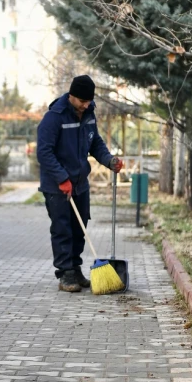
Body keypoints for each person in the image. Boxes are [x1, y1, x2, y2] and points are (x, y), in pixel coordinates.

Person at [36, 75, 124, 293]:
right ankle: (65, 273)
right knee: (62, 228)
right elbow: (44, 153)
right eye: (82, 101)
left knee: (79, 227)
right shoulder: (54, 118)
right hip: (57, 185)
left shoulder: (89, 113)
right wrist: (61, 178)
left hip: (79, 183)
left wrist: (109, 160)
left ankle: (75, 268)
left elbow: (94, 142)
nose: (86, 105)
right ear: (71, 96)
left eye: (88, 101)